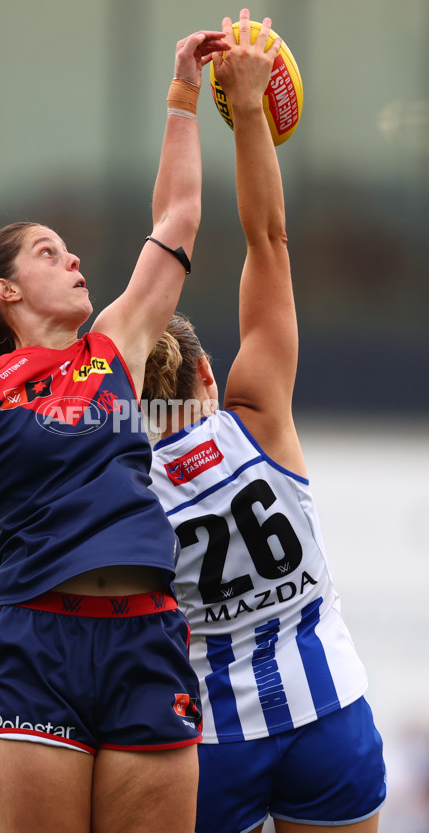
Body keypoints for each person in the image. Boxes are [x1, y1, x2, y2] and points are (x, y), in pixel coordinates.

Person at [0, 26, 233, 833]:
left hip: (146, 638)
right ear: (7, 292)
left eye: (69, 251)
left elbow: (179, 212)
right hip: (35, 641)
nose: (72, 261)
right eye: (48, 251)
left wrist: (183, 90)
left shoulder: (118, 346)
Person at [143, 11, 387, 833]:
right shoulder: (255, 418)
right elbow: (269, 241)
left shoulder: (116, 478)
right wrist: (249, 111)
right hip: (326, 713)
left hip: (213, 741)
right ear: (209, 372)